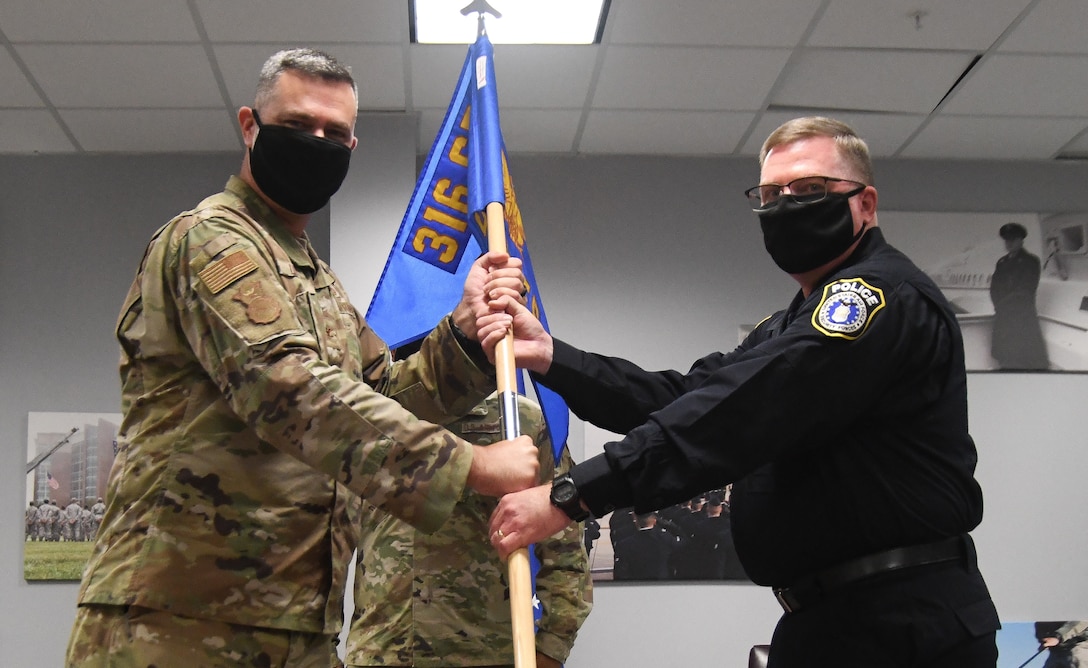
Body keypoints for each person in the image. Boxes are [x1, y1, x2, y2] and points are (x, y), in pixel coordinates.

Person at [65, 48, 537, 668]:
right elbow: (288, 389)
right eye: (296, 125)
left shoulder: (320, 283)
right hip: (177, 617)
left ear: (352, 145)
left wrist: (465, 332)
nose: (317, 142)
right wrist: (470, 466)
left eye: (334, 133)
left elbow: (384, 394)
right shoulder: (211, 239)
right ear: (249, 125)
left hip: (296, 622)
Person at [482, 116, 1000, 667]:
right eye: (770, 194)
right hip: (827, 621)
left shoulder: (874, 299)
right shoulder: (785, 326)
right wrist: (555, 359)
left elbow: (739, 413)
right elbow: (684, 399)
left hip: (902, 624)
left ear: (865, 204)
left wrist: (574, 496)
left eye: (808, 190)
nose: (784, 206)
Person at [346, 390, 592, 668]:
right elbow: (323, 540)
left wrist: (551, 648)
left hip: (486, 652)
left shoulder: (519, 421)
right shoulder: (363, 415)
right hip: (381, 651)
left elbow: (565, 544)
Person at [990, 222, 1049, 370]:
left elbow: (1025, 290)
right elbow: (994, 289)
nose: (1009, 243)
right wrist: (998, 306)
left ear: (1021, 241)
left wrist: (1002, 306)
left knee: (1025, 359)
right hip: (1003, 317)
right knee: (1005, 357)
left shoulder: (1031, 261)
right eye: (1007, 240)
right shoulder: (1002, 262)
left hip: (1022, 318)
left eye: (1013, 239)